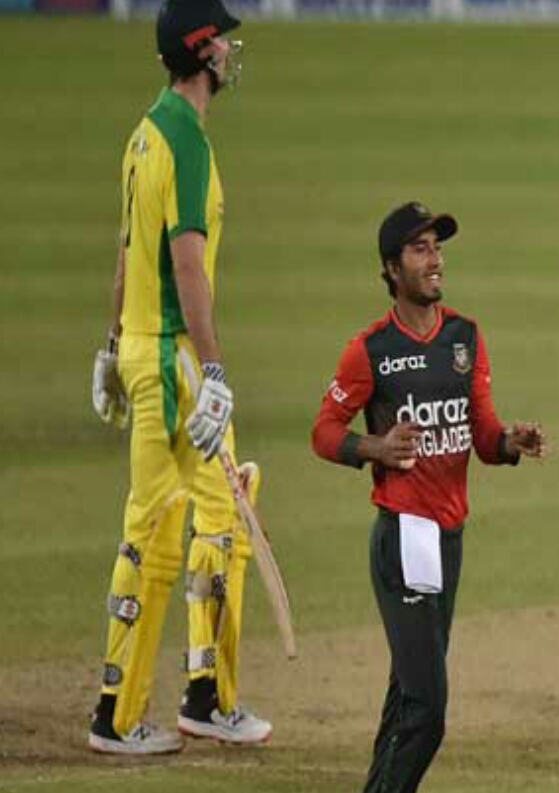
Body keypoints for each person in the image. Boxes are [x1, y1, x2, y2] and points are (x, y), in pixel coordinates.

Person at [310, 202, 547, 793]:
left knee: (407, 697)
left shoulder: (464, 337)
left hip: (449, 539)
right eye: (420, 249)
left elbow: (483, 436)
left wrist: (511, 442)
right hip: (404, 536)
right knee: (427, 710)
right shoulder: (371, 350)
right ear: (392, 269)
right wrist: (375, 447)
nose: (435, 259)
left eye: (437, 247)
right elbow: (324, 431)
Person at [87, 0, 269, 754]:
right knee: (165, 527)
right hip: (173, 360)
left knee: (218, 511)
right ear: (201, 51)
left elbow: (128, 250)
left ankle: (204, 694)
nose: (229, 49)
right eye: (220, 38)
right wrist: (213, 369)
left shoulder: (144, 132)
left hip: (148, 350)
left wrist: (111, 345)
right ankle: (121, 714)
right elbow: (185, 264)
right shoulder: (184, 140)